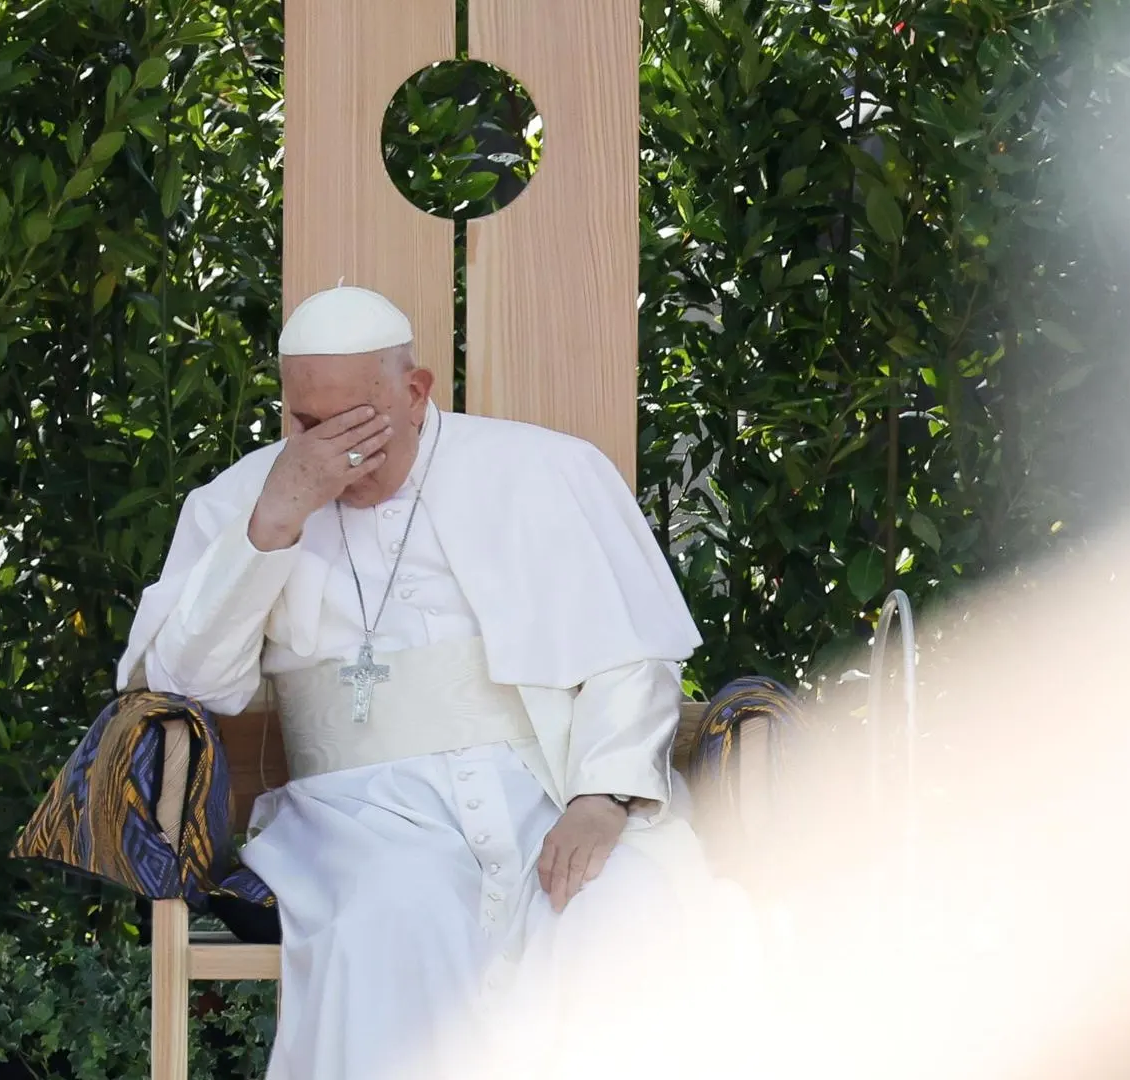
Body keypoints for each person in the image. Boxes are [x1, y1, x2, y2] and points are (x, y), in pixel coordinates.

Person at [116, 285, 710, 1079]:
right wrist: (275, 522)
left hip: (545, 789)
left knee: (624, 907)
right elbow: (184, 684)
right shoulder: (246, 497)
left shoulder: (545, 470)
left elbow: (629, 654)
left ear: (415, 390)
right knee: (396, 914)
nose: (335, 457)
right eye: (305, 427)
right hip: (353, 819)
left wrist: (601, 797)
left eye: (357, 427)